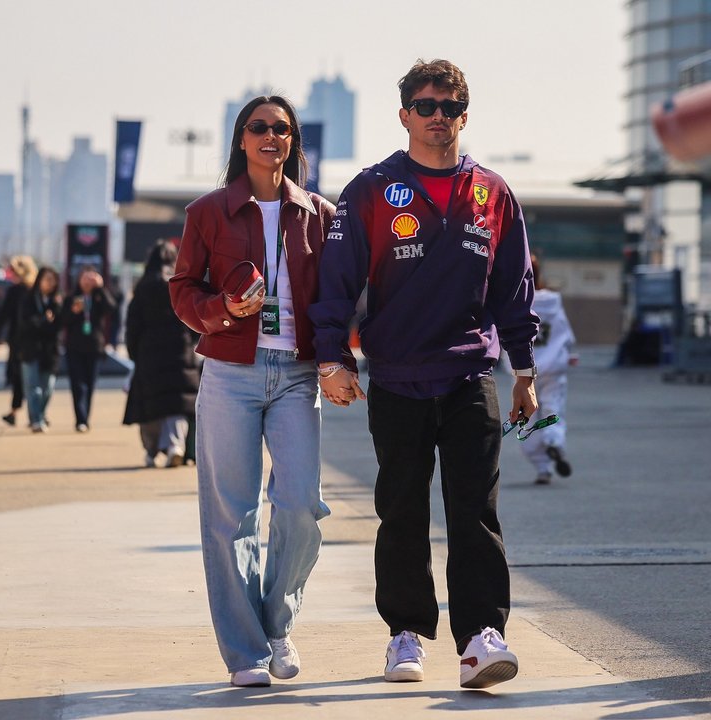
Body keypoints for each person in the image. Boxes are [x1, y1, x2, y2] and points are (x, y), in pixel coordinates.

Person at [309, 59, 539, 690]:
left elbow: (514, 289)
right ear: (404, 114)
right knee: (402, 511)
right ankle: (405, 633)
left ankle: (481, 638)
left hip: (470, 378)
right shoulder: (371, 190)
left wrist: (524, 371)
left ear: (464, 115)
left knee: (475, 513)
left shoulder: (492, 193)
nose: (439, 116)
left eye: (450, 106)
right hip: (398, 379)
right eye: (427, 105)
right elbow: (336, 283)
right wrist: (332, 358)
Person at [169, 95, 350, 688]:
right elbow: (182, 290)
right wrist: (223, 309)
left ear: (293, 140)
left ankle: (277, 623)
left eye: (282, 128)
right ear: (242, 139)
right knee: (231, 515)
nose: (271, 135)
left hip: (297, 375)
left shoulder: (319, 215)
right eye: (259, 127)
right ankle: (245, 651)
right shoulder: (208, 212)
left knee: (300, 504)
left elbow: (339, 298)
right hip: (230, 373)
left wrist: (337, 361)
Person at [123, 240, 200, 468]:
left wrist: (134, 352)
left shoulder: (143, 287)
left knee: (150, 404)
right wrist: (191, 343)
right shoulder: (178, 282)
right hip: (179, 350)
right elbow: (192, 317)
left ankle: (151, 452)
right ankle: (176, 446)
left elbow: (133, 324)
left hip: (149, 351)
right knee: (177, 403)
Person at [521, 254, 576, 485]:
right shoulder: (553, 301)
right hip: (553, 365)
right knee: (553, 408)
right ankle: (554, 441)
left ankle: (542, 468)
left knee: (528, 416)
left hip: (525, 370)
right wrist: (569, 353)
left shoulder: (514, 299)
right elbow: (565, 332)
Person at [60, 267, 117, 432]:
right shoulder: (71, 298)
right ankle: (80, 419)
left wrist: (101, 288)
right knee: (78, 385)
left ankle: (85, 418)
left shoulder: (99, 297)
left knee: (90, 384)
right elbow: (62, 320)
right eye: (84, 278)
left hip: (94, 347)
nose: (87, 282)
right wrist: (73, 311)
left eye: (91, 279)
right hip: (74, 348)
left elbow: (111, 309)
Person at [0, 255, 38, 426]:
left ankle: (32, 414)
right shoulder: (32, 290)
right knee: (26, 377)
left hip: (26, 340)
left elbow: (4, 315)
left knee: (23, 377)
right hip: (27, 340)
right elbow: (5, 315)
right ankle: (29, 414)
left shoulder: (27, 291)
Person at [17, 267, 62, 433]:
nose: (50, 283)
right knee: (33, 387)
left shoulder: (56, 302)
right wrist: (43, 320)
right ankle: (36, 420)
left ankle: (40, 415)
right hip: (30, 349)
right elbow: (25, 324)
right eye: (47, 279)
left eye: (53, 280)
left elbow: (60, 325)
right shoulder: (28, 299)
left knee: (48, 387)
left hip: (49, 352)